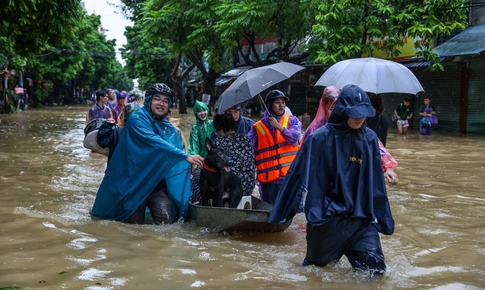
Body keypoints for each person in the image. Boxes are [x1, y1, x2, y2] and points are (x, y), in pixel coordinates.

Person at [268, 84, 395, 277]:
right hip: (327, 220)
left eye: (364, 113)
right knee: (313, 273)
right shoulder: (318, 138)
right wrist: (282, 213)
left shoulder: (369, 138)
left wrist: (383, 218)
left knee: (375, 273)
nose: (360, 117)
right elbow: (296, 175)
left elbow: (376, 183)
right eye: (355, 113)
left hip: (361, 220)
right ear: (342, 110)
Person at [90, 83, 204, 225]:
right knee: (134, 230)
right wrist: (185, 156)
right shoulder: (137, 119)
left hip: (157, 185)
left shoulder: (167, 127)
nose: (161, 104)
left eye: (165, 101)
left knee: (167, 227)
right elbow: (153, 141)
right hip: (134, 185)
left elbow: (176, 150)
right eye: (157, 99)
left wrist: (188, 162)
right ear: (149, 100)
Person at [302, 87, 398, 185]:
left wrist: (388, 167)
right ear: (325, 107)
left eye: (338, 107)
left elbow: (377, 148)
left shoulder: (356, 129)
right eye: (331, 108)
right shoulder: (315, 133)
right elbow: (304, 159)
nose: (336, 111)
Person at [247, 89, 301, 204]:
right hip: (268, 180)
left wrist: (279, 127)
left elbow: (295, 138)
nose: (281, 105)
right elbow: (248, 147)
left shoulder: (292, 120)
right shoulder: (258, 127)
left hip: (288, 176)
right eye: (277, 102)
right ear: (269, 105)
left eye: (283, 102)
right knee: (269, 211)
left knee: (289, 211)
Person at [213, 113, 256, 196]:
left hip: (230, 189)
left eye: (216, 130)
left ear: (221, 130)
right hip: (248, 187)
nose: (216, 133)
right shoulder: (246, 139)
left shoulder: (219, 142)